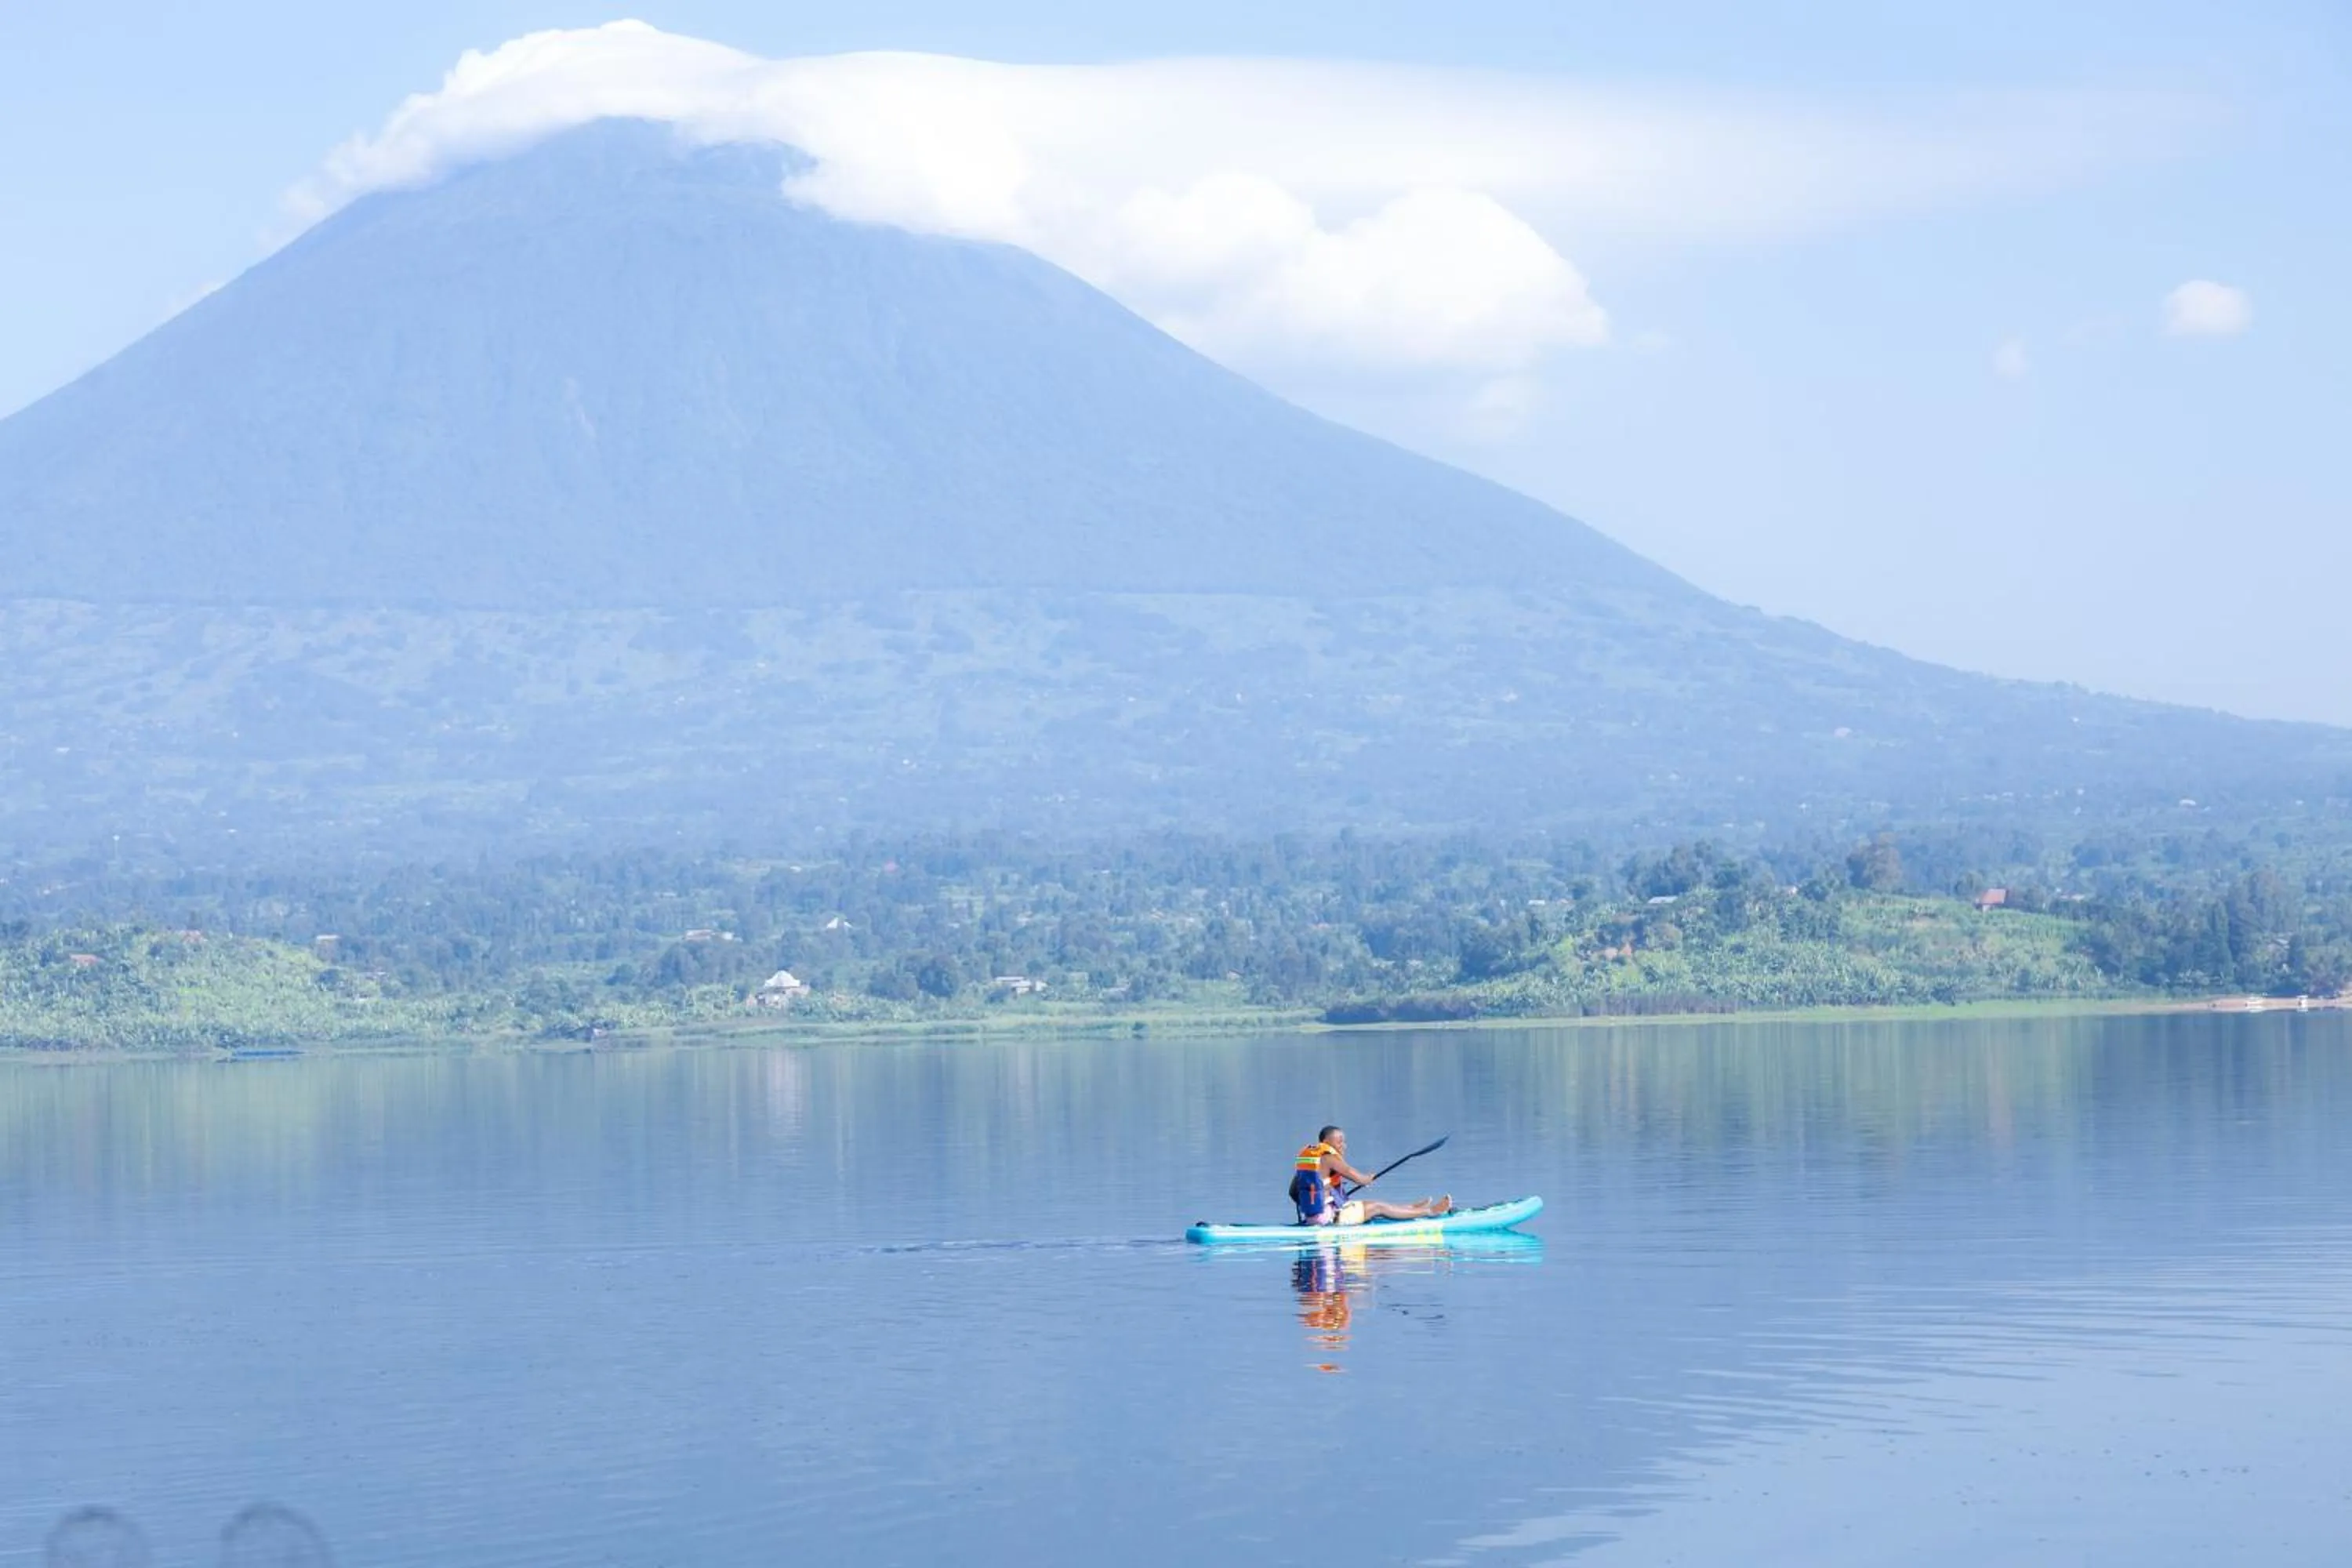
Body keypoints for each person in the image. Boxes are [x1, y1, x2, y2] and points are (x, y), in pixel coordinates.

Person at [1290, 1126, 1451, 1226]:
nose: (1343, 1145)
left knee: (1372, 1205)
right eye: (1339, 1142)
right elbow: (1358, 1178)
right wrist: (1368, 1179)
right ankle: (1430, 1211)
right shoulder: (1330, 1158)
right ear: (1326, 1141)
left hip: (1316, 1217)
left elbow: (1292, 1192)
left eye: (1344, 1141)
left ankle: (1411, 1208)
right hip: (1328, 1218)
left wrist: (1317, 1203)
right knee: (1378, 1207)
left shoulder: (1310, 1161)